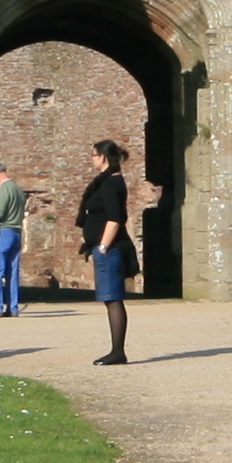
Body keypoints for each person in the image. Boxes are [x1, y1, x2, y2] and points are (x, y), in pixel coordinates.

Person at [79, 139, 133, 365]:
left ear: (102, 157)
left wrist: (102, 246)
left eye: (93, 155)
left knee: (113, 298)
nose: (91, 159)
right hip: (105, 247)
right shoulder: (105, 182)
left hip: (110, 249)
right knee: (109, 298)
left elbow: (114, 219)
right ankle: (116, 350)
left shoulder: (111, 183)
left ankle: (117, 351)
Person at [0, 158, 26, 316]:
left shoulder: (3, 188)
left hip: (2, 231)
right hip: (16, 230)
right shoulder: (18, 188)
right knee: (12, 272)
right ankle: (13, 307)